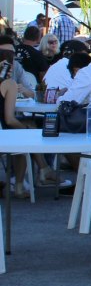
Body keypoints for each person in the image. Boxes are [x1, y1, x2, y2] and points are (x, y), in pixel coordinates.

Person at [0, 58, 51, 196]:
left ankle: (44, 170)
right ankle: (21, 185)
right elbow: (10, 119)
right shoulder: (8, 84)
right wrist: (26, 130)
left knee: (27, 127)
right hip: (2, 135)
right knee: (23, 135)